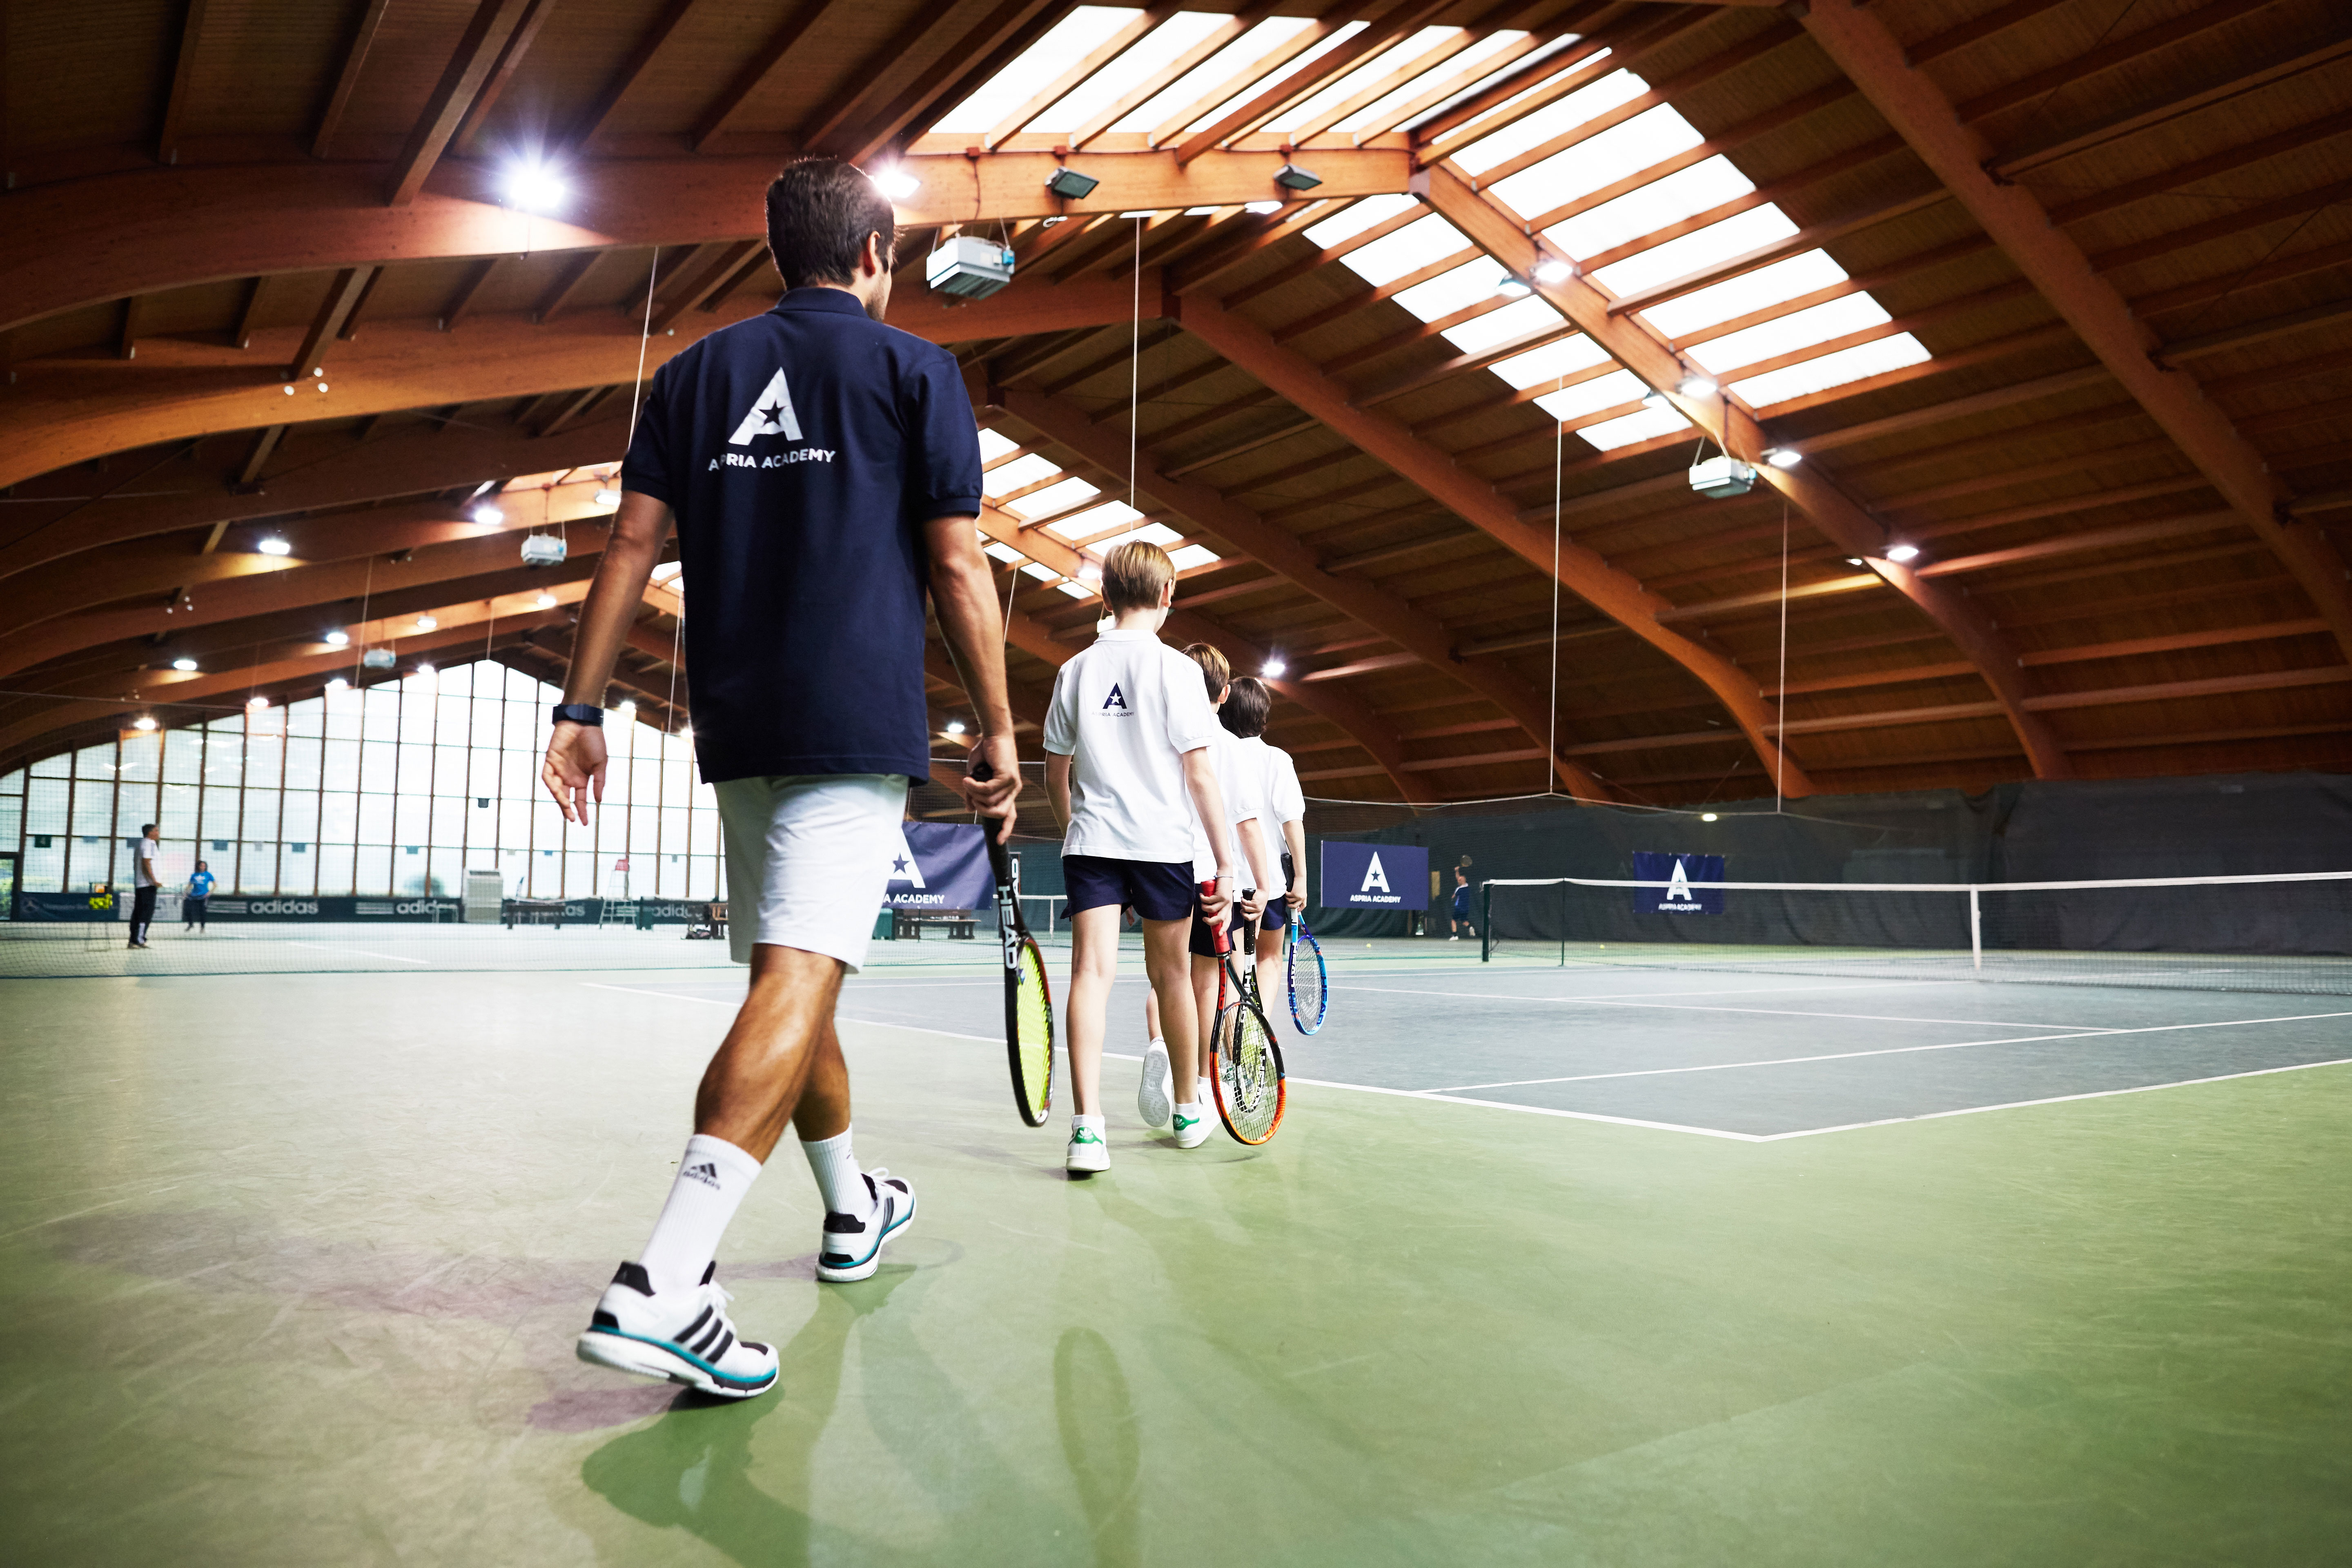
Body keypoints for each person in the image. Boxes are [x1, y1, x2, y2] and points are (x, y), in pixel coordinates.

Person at [540, 157, 1018, 1402]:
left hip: (739, 720)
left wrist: (582, 705)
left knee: (790, 978)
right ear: (872, 255)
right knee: (800, 977)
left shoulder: (693, 374)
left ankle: (852, 1206)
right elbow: (960, 567)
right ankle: (668, 1278)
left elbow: (630, 543)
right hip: (853, 721)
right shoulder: (918, 370)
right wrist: (1000, 727)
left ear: (778, 255)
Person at [1042, 541, 1242, 1175]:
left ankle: (1087, 1133)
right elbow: (1202, 777)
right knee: (1174, 978)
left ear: (1104, 598)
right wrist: (1229, 867)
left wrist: (1074, 829)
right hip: (1162, 848)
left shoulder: (1074, 669)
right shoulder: (1179, 673)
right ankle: (1189, 1113)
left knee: (1089, 979)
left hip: (1092, 845)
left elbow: (1056, 770)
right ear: (1165, 597)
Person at [1217, 676, 1307, 972]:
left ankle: (1240, 1019)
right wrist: (1302, 877)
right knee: (1270, 958)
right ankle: (1259, 1018)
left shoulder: (1213, 755)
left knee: (1233, 961)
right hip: (1268, 882)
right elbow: (1292, 822)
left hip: (1222, 881)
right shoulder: (1276, 759)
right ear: (1263, 716)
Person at [127, 823, 159, 949]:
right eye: (156, 831)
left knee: (139, 912)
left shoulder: (141, 844)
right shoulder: (149, 844)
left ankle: (134, 940)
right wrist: (154, 880)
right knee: (145, 914)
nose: (158, 833)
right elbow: (146, 862)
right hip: (147, 885)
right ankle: (139, 940)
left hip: (142, 885)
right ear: (150, 833)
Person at [185, 860, 214, 932]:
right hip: (194, 896)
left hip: (203, 896)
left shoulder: (208, 875)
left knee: (202, 912)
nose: (203, 867)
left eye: (204, 866)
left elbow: (215, 885)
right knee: (188, 910)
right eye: (201, 866)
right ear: (198, 866)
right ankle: (191, 924)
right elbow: (190, 885)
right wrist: (186, 893)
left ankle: (202, 927)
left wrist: (209, 893)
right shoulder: (194, 875)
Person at [1450, 866, 1475, 940]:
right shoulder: (1466, 887)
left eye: (1460, 879)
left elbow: (1453, 897)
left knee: (1454, 920)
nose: (1458, 879)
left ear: (1463, 881)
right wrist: (1457, 871)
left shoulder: (1460, 889)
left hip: (1459, 907)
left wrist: (1453, 896)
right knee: (1464, 921)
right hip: (1466, 908)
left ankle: (1455, 936)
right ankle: (1470, 927)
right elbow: (1458, 878)